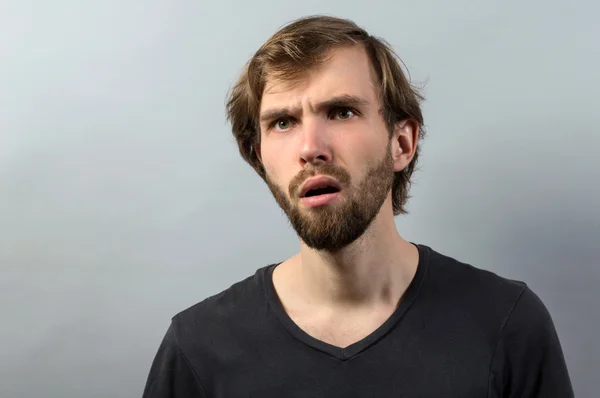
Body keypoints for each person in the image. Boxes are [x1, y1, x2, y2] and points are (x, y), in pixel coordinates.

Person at [141, 15, 574, 397]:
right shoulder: (198, 347)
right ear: (259, 158)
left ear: (401, 143)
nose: (311, 148)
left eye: (342, 112)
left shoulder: (505, 324)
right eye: (283, 122)